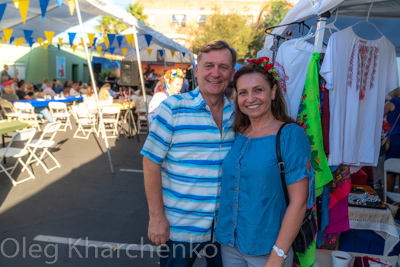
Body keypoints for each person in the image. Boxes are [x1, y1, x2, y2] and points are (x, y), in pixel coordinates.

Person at [141, 40, 237, 267]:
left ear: (232, 74)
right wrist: (156, 218)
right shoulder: (173, 108)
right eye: (209, 66)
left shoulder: (238, 114)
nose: (216, 73)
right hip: (180, 227)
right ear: (196, 71)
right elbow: (150, 162)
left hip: (224, 229)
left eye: (223, 67)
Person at [215, 59, 315, 267]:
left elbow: (299, 201)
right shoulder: (239, 133)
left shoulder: (289, 135)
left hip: (268, 250)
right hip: (230, 244)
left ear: (272, 91)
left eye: (258, 90)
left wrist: (278, 255)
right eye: (243, 92)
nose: (250, 98)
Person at [383, 88, 400, 194]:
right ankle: (398, 204)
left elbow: (378, 115)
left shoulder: (392, 102)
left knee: (390, 171)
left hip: (395, 138)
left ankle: (387, 202)